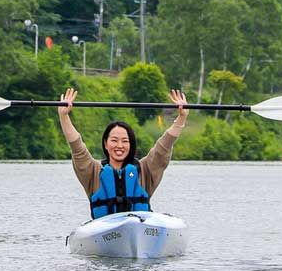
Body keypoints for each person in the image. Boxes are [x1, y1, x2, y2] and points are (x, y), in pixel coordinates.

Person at [57, 88, 188, 218]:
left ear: (131, 145)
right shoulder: (93, 172)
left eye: (125, 141)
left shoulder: (145, 170)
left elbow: (164, 146)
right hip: (104, 231)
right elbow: (77, 148)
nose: (119, 146)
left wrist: (182, 118)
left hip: (138, 230)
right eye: (114, 140)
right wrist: (64, 116)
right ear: (105, 144)